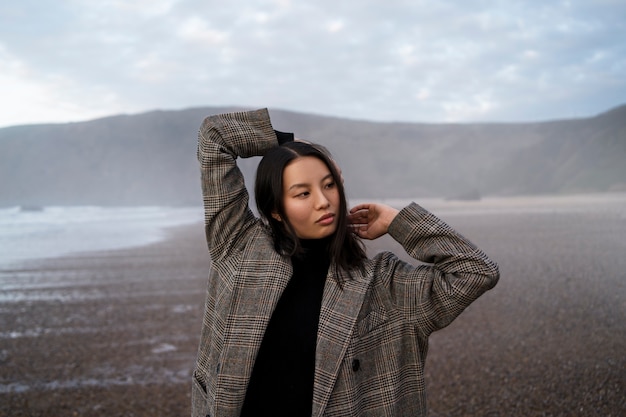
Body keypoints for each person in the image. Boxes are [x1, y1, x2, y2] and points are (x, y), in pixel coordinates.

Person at [192, 108, 499, 417]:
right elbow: (215, 136)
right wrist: (293, 144)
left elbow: (475, 271)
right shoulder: (239, 247)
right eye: (303, 193)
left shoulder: (382, 284)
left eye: (329, 185)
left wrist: (397, 222)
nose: (323, 201)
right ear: (275, 209)